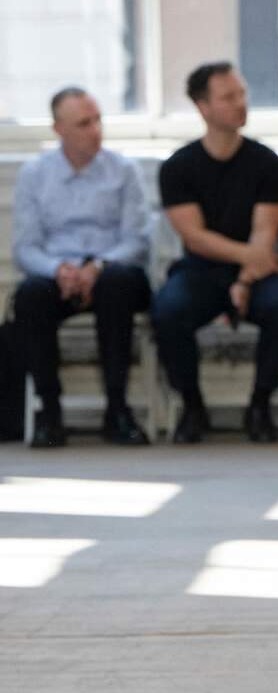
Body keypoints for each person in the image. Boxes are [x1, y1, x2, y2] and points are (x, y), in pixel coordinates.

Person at [152, 63, 278, 445]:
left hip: (257, 268)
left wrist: (244, 280)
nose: (241, 103)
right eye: (228, 97)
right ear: (203, 107)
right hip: (200, 269)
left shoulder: (269, 163)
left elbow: (265, 234)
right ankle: (192, 406)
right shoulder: (178, 167)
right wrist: (242, 270)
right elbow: (196, 238)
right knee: (168, 311)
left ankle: (260, 405)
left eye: (242, 93)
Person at [11, 87, 152, 448]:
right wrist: (60, 269)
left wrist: (98, 266)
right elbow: (25, 248)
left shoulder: (124, 170)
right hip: (60, 275)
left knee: (118, 284)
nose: (96, 130)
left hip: (113, 271)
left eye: (98, 120)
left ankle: (118, 410)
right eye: (84, 123)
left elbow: (138, 241)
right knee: (28, 297)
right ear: (59, 129)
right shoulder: (34, 174)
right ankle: (50, 413)